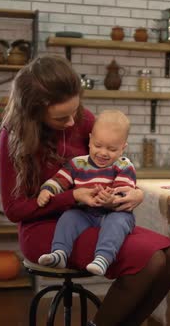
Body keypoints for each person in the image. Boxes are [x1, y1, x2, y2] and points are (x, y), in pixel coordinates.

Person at [0, 55, 170, 326]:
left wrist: (134, 192)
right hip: (46, 229)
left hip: (96, 218)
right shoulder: (13, 136)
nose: (74, 123)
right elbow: (15, 210)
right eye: (61, 117)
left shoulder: (82, 118)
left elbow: (113, 158)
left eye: (74, 111)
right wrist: (71, 196)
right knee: (152, 261)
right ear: (35, 113)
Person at [37, 110, 137, 276]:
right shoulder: (78, 164)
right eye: (98, 146)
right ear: (90, 140)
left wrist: (112, 199)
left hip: (113, 212)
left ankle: (103, 258)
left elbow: (124, 191)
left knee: (118, 222)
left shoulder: (124, 166)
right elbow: (60, 180)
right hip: (85, 212)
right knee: (69, 217)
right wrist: (47, 190)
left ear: (122, 148)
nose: (103, 153)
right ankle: (59, 253)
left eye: (112, 149)